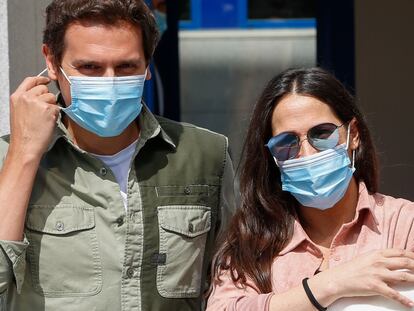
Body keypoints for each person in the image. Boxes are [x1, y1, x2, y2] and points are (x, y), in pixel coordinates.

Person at [0, 1, 235, 310]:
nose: (109, 81)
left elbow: (234, 284)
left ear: (148, 65)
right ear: (52, 62)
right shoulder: (10, 158)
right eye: (89, 68)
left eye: (126, 67)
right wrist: (24, 153)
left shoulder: (206, 154)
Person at [207, 67, 414, 310]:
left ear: (353, 135)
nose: (306, 154)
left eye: (322, 133)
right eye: (287, 143)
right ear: (272, 156)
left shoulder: (403, 223)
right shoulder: (251, 240)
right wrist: (328, 285)